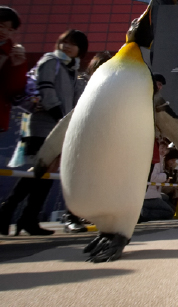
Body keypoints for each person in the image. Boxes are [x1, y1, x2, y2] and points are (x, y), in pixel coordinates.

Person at [0, 29, 89, 236]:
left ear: (80, 50)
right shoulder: (51, 61)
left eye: (72, 44)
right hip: (42, 126)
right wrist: (59, 115)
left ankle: (28, 218)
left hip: (59, 128)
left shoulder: (72, 70)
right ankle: (7, 212)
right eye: (64, 42)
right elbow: (46, 89)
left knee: (47, 174)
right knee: (37, 171)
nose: (67, 46)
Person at [62, 51, 112, 233]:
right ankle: (70, 216)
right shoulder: (82, 83)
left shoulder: (112, 89)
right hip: (78, 135)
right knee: (76, 176)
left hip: (99, 138)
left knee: (93, 178)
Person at [0, 7, 27, 134]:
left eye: (10, 29)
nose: (4, 32)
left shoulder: (12, 53)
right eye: (1, 26)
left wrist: (18, 66)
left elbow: (14, 91)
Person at [139, 140, 175, 222]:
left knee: (167, 200)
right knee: (169, 212)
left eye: (165, 149)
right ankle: (143, 213)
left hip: (153, 193)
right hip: (149, 196)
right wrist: (165, 175)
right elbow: (152, 177)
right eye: (161, 148)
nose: (163, 151)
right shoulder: (156, 160)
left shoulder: (160, 159)